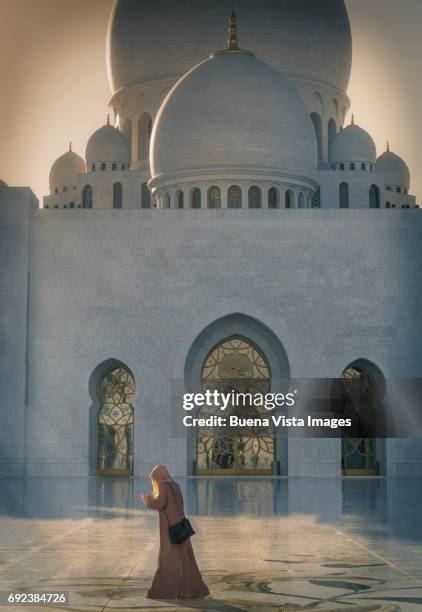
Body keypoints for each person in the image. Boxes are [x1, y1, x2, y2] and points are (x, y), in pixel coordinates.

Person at [141, 464, 209, 600]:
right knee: (185, 559)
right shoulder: (175, 485)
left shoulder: (164, 486)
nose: (154, 482)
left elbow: (160, 504)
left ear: (159, 477)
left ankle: (165, 590)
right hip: (181, 526)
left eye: (155, 479)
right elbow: (176, 503)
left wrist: (147, 501)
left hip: (169, 528)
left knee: (168, 559)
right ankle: (192, 590)